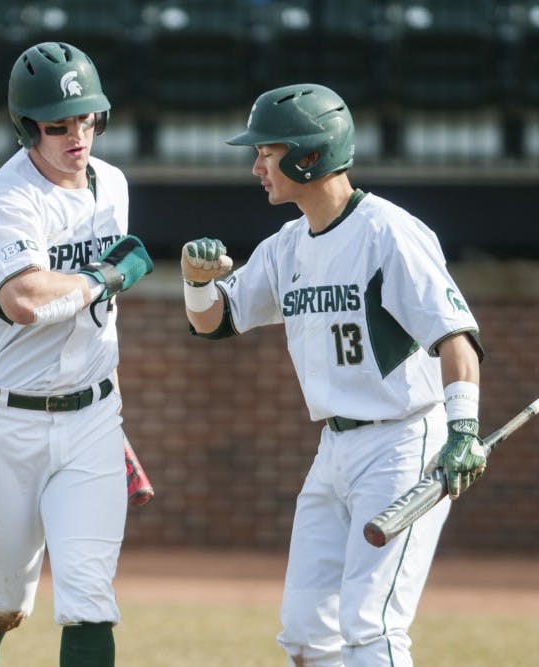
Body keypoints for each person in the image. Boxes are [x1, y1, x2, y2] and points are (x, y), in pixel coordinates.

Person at [180, 83, 486, 667]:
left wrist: (463, 430)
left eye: (266, 153)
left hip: (402, 441)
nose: (255, 167)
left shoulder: (389, 232)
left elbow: (457, 340)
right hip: (335, 447)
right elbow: (215, 322)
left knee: (370, 625)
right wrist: (196, 282)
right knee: (304, 633)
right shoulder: (287, 245)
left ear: (308, 155)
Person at [0, 42, 153, 667]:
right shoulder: (4, 199)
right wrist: (106, 277)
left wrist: (116, 421)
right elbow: (26, 298)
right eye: (58, 124)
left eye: (87, 119)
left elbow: (99, 320)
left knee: (89, 594)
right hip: (6, 421)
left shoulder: (112, 185)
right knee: (3, 598)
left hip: (93, 417)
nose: (77, 135)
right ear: (26, 128)